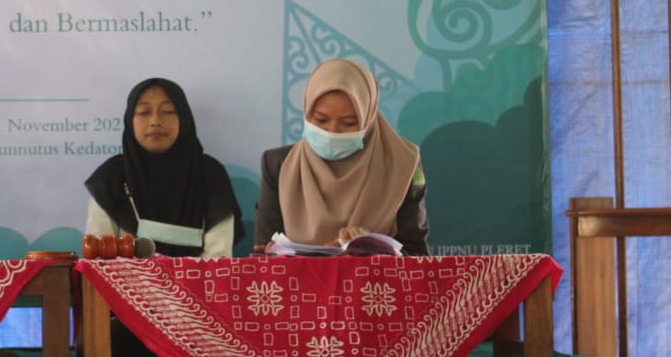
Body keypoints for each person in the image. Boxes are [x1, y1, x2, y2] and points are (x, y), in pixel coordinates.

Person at [254, 58, 428, 255]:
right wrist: (270, 254)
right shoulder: (279, 165)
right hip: (298, 276)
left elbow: (418, 255)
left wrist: (370, 250)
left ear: (368, 118)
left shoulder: (403, 165)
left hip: (372, 276)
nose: (333, 131)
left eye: (349, 122)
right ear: (307, 113)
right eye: (321, 120)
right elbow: (263, 253)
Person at [85, 77, 242, 258]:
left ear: (184, 118)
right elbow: (98, 256)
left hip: (200, 277)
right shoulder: (110, 177)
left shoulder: (210, 174)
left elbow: (219, 258)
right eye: (144, 112)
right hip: (122, 277)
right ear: (130, 120)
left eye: (168, 111)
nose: (155, 121)